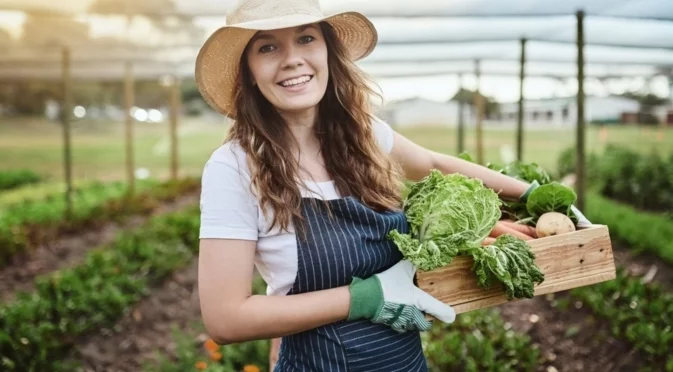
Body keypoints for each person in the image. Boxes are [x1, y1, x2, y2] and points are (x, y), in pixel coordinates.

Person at [194, 0, 591, 371]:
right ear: (248, 71)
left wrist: (531, 193)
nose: (293, 58)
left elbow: (434, 163)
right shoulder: (235, 168)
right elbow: (226, 318)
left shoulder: (361, 136)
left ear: (328, 51)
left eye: (306, 38)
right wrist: (364, 298)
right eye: (267, 48)